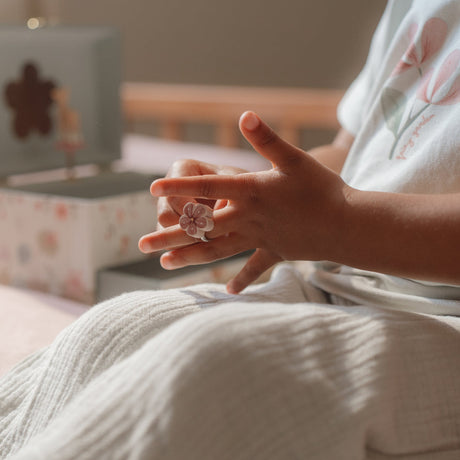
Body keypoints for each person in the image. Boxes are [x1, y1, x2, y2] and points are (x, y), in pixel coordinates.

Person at [1, 0, 460, 459]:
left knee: (220, 367)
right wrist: (255, 193)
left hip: (442, 319)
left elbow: (344, 209)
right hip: (336, 279)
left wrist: (338, 222)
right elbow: (351, 151)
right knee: (115, 329)